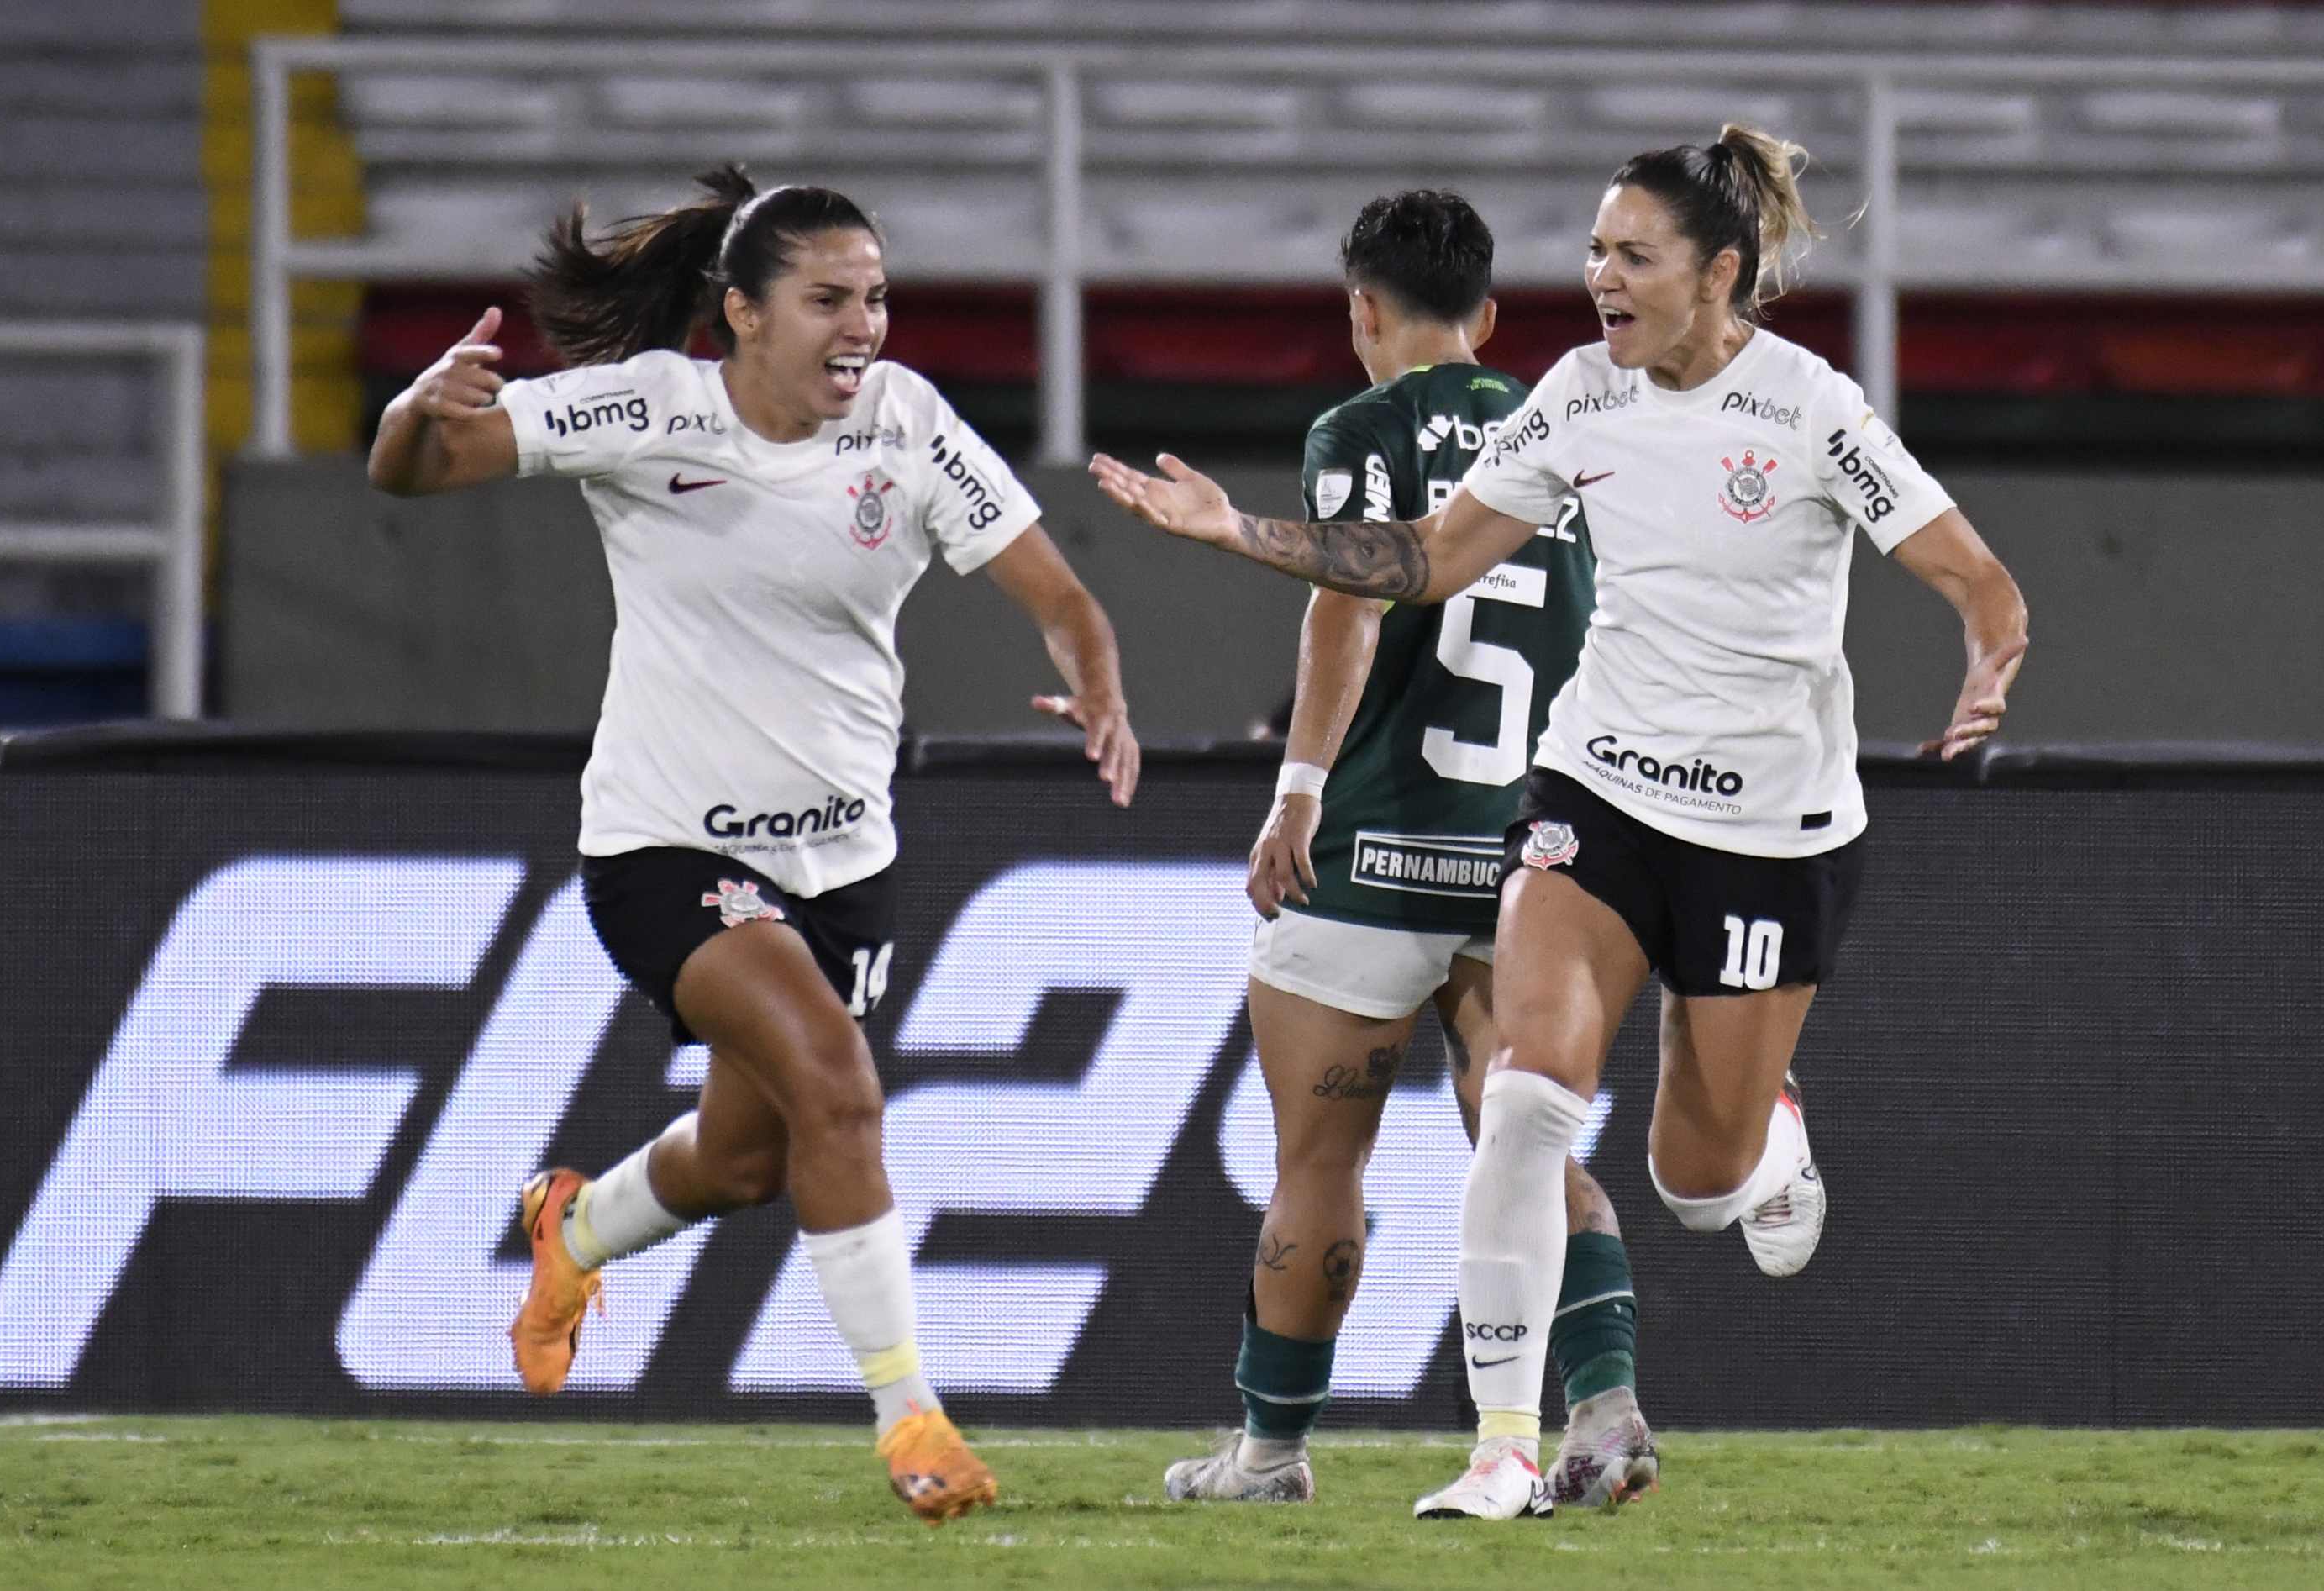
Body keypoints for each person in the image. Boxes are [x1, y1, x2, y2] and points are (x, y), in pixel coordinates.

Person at [1094, 125, 2027, 1521]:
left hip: (1772, 828)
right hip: (1592, 793)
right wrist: (1244, 534)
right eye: (1593, 250)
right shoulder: (1575, 396)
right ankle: (1506, 1447)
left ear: (1719, 273)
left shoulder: (1812, 407)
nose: (1599, 276)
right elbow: (1422, 558)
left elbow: (1977, 575)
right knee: (1525, 1100)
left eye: (1631, 255)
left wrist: (1990, 656)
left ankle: (1760, 1132)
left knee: (1693, 1183)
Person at [368, 166, 1141, 1526]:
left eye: (878, 297)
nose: (865, 326)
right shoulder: (649, 407)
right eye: (830, 298)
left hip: (843, 865)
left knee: (748, 1157)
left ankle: (577, 1224)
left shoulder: (907, 425)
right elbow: (417, 472)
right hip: (664, 849)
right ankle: (912, 1414)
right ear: (740, 313)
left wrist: (1098, 682)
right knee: (838, 1085)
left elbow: (1062, 594)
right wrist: (411, 413)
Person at [1161, 191, 1654, 1515]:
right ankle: (1602, 1407)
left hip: (1374, 850)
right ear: (1491, 319)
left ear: (1363, 310)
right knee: (1533, 1139)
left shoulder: (1362, 429)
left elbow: (1352, 602)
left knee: (1322, 1165)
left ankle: (1269, 1456)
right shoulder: (1571, 427)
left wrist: (1297, 791)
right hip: (1531, 853)